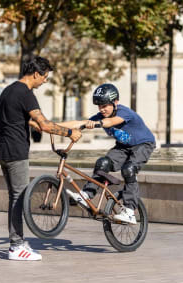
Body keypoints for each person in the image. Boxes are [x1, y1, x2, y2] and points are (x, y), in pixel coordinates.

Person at [0, 56, 81, 261]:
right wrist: (70, 133)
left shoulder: (8, 90)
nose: (45, 81)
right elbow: (43, 124)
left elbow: (27, 122)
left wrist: (49, 127)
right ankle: (16, 246)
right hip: (16, 152)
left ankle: (17, 243)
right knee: (19, 197)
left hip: (3, 150)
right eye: (45, 77)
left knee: (14, 197)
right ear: (35, 74)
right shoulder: (26, 93)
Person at [61, 83, 156, 224]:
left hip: (143, 144)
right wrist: (48, 126)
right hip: (123, 147)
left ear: (115, 102)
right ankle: (87, 194)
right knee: (102, 163)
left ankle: (129, 211)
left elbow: (111, 121)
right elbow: (78, 123)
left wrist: (98, 123)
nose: (102, 109)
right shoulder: (100, 116)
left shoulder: (124, 112)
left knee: (129, 169)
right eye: (99, 106)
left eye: (105, 106)